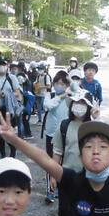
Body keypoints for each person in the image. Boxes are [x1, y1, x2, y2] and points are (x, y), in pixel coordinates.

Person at [42, 70, 70, 204]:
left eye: (63, 84)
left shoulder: (71, 97)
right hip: (51, 134)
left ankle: (60, 187)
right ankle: (50, 190)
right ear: (53, 84)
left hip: (66, 133)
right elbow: (48, 106)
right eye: (57, 83)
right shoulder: (50, 95)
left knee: (64, 162)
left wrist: (67, 94)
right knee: (51, 162)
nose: (60, 86)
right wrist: (60, 96)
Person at [0, 57, 20, 159]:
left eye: (3, 65)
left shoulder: (11, 78)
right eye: (0, 65)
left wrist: (7, 94)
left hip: (9, 110)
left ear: (7, 66)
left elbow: (17, 93)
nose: (1, 67)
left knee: (9, 132)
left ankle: (13, 153)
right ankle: (3, 155)